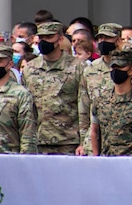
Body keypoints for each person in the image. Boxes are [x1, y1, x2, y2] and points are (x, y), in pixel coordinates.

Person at [22, 21, 87, 155]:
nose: (44, 41)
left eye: (49, 37)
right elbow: (26, 109)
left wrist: (84, 142)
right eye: (41, 37)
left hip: (68, 141)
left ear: (60, 39)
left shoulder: (78, 67)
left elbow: (85, 107)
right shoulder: (30, 68)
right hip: (37, 141)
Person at [90, 48, 132, 157]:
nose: (116, 71)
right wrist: (96, 157)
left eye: (121, 67)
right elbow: (94, 131)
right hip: (108, 161)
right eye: (114, 67)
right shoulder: (101, 99)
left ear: (131, 70)